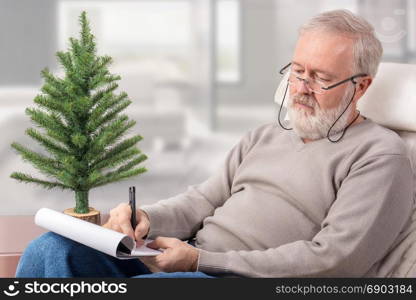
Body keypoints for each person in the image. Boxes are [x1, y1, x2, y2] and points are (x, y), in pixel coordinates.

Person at [16, 9, 413, 278]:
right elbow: (201, 201)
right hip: (184, 262)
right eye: (297, 71)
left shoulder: (379, 155)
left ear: (362, 86)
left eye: (320, 78)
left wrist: (203, 259)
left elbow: (337, 260)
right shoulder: (264, 136)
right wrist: (145, 218)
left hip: (242, 280)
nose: (301, 88)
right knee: (50, 250)